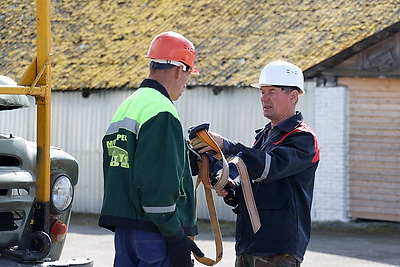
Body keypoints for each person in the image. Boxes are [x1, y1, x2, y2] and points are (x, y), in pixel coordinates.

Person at [190, 60, 320, 267]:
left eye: (272, 91)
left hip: (278, 250)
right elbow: (256, 185)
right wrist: (231, 188)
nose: (264, 98)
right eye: (262, 91)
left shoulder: (303, 138)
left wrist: (228, 146)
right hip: (249, 245)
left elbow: (269, 168)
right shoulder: (265, 136)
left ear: (293, 96)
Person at [98, 31, 204, 267]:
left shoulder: (129, 105)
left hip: (126, 232)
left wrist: (186, 163)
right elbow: (156, 186)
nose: (186, 83)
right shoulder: (163, 111)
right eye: (189, 74)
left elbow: (134, 165)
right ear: (180, 70)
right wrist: (177, 239)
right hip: (156, 233)